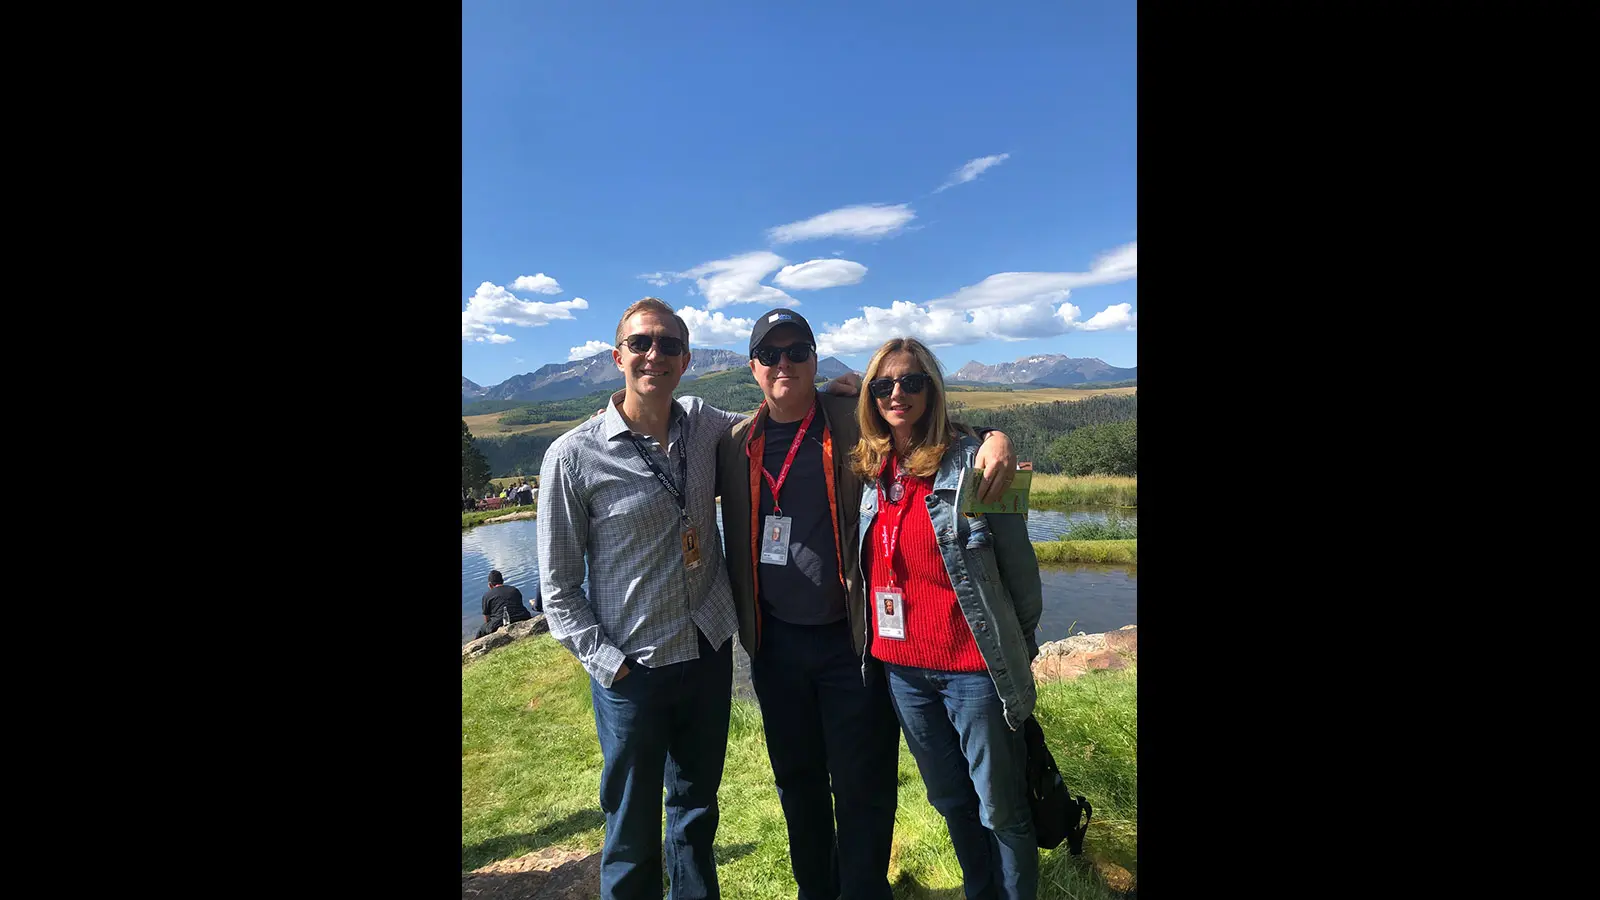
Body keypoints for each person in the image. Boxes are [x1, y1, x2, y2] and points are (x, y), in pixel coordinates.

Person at [716, 311, 1017, 900]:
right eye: (770, 355)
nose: (784, 364)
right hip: (774, 644)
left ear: (815, 359)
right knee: (797, 782)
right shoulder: (733, 442)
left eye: (797, 351)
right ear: (753, 368)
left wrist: (992, 437)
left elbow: (923, 424)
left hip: (851, 641)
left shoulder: (849, 419)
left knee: (863, 784)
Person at [537, 297, 757, 900]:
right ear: (618, 357)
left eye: (668, 345)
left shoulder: (706, 423)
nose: (654, 354)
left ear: (686, 360)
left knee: (696, 814)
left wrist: (848, 393)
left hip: (707, 650)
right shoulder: (573, 457)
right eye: (640, 343)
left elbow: (779, 412)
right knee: (631, 832)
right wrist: (611, 666)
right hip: (633, 668)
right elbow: (557, 589)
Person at [850, 337, 1044, 900]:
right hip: (902, 671)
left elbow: (1021, 574)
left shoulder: (975, 462)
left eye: (911, 382)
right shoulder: (873, 467)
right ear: (869, 395)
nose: (897, 394)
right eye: (883, 385)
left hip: (973, 670)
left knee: (1000, 807)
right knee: (950, 799)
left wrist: (1016, 646)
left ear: (932, 390)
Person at [477, 569, 531, 639]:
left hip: (499, 623)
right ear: (502, 581)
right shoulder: (514, 589)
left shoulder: (487, 595)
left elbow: (487, 618)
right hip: (523, 616)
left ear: (490, 585)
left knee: (482, 629)